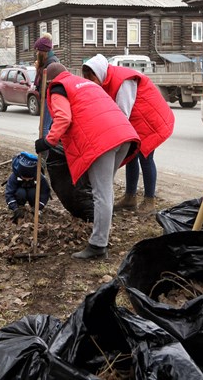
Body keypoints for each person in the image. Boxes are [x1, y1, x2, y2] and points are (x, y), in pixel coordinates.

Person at [34, 63, 140, 260]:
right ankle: (102, 233)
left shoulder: (58, 88)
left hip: (103, 140)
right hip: (123, 134)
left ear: (49, 81)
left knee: (101, 192)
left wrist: (48, 141)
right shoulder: (83, 83)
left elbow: (63, 118)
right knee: (103, 189)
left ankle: (98, 245)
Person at [82, 54, 175, 214]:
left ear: (98, 73)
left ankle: (149, 201)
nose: (91, 83)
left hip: (149, 120)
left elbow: (122, 113)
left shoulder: (122, 81)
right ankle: (130, 198)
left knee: (146, 157)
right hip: (135, 120)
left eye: (92, 79)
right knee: (131, 156)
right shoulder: (106, 79)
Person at [5, 151, 51, 223]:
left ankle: (34, 208)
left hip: (33, 192)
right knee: (21, 192)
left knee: (32, 193)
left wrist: (39, 206)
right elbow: (9, 193)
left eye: (29, 178)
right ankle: (20, 208)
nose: (26, 179)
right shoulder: (14, 176)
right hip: (20, 192)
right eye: (24, 177)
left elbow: (45, 192)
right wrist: (15, 208)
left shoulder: (39, 176)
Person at [33, 33, 60, 136]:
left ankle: (44, 151)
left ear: (43, 52)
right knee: (47, 126)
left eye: (38, 51)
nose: (36, 53)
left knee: (44, 127)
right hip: (47, 98)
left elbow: (48, 83)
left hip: (49, 98)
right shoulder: (49, 61)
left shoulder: (51, 63)